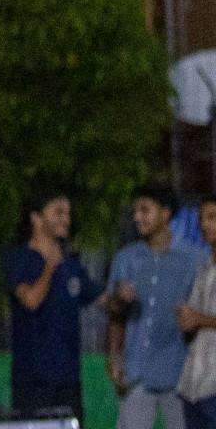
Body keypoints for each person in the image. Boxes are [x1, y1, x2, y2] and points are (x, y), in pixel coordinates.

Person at [107, 182, 205, 429]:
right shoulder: (126, 259)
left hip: (180, 377)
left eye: (144, 209)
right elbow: (115, 317)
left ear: (165, 213)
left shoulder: (194, 260)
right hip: (137, 373)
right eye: (135, 211)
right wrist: (113, 356)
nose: (137, 217)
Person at [1, 186, 103, 419]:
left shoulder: (71, 265)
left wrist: (123, 296)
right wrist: (49, 267)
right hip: (32, 384)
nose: (66, 220)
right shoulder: (18, 259)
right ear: (36, 218)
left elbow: (101, 298)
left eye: (68, 213)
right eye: (59, 212)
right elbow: (31, 301)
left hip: (68, 382)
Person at [179, 198, 216, 428]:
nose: (204, 224)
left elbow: (198, 318)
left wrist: (198, 319)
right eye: (202, 218)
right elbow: (190, 325)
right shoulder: (204, 270)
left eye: (212, 217)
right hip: (194, 386)